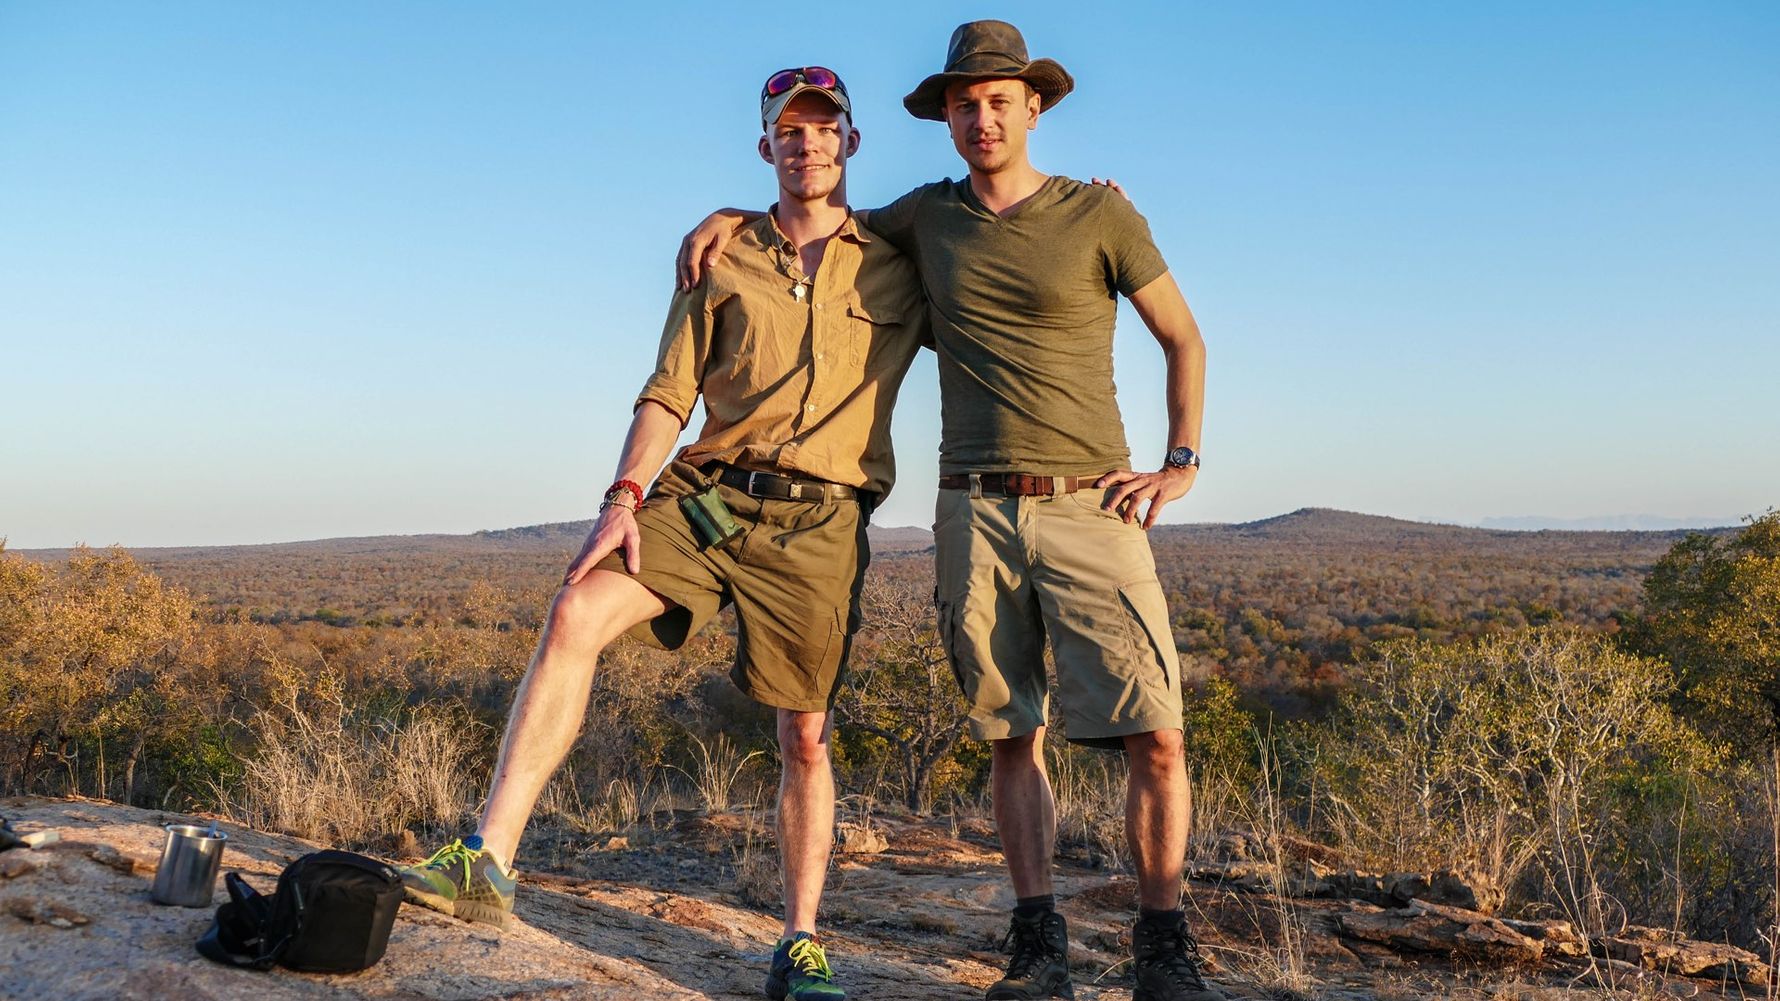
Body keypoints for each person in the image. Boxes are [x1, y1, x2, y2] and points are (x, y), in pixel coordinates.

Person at [678, 21, 1220, 1001]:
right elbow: (814, 212)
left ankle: (1164, 945)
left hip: (1093, 499)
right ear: (947, 116)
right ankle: (1035, 942)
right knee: (1012, 732)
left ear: (1033, 106)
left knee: (1158, 731)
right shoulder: (922, 218)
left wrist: (1178, 463)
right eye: (963, 103)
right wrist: (726, 211)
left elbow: (1183, 337)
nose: (980, 117)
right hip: (974, 507)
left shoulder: (1098, 216)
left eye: (998, 100)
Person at [402, 66, 925, 1001]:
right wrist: (622, 494)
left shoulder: (899, 256)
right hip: (714, 495)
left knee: (804, 733)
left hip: (820, 521)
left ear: (851, 142)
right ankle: (488, 860)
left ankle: (799, 942)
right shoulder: (718, 257)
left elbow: (1000, 227)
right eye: (788, 130)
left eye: (824, 128)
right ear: (766, 145)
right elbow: (669, 392)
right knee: (575, 609)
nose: (807, 143)